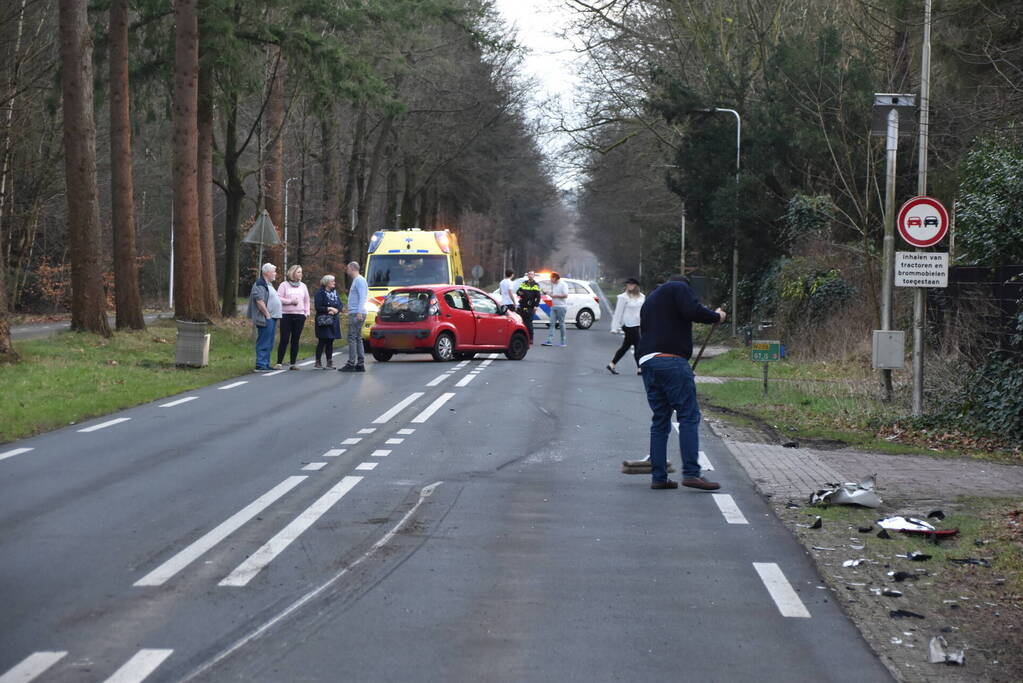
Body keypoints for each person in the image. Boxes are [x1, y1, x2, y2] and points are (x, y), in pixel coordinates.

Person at [635, 277, 726, 490]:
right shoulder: (679, 287)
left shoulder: (650, 300)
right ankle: (692, 473)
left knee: (660, 420)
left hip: (648, 362)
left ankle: (659, 477)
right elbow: (693, 310)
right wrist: (717, 316)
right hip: (671, 360)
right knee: (688, 415)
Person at [247, 263, 282, 372]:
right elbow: (259, 301)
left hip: (272, 317)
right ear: (267, 272)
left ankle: (265, 364)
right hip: (266, 318)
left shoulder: (269, 284)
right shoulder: (260, 284)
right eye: (273, 271)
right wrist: (267, 314)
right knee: (264, 341)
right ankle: (260, 364)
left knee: (270, 342)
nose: (275, 274)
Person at [276, 264, 311, 370]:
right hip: (286, 315)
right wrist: (290, 301)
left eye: (301, 272)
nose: (301, 274)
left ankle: (293, 363)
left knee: (295, 339)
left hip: (300, 316)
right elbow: (278, 298)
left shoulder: (303, 286)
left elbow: (307, 301)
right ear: (293, 273)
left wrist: (306, 313)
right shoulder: (284, 285)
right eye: (299, 272)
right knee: (284, 339)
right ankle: (279, 363)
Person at [607, 277, 644, 375]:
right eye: (628, 284)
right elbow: (618, 313)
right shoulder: (623, 297)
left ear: (636, 286)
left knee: (626, 346)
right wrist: (614, 327)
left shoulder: (642, 297)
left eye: (632, 284)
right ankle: (640, 368)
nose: (629, 286)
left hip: (637, 324)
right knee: (638, 345)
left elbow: (643, 312)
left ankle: (612, 364)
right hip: (628, 324)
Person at [340, 261, 368, 372]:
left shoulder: (359, 280)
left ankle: (351, 363)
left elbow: (362, 297)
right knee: (357, 337)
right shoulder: (357, 280)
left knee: (352, 337)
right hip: (356, 311)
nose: (347, 270)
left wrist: (359, 311)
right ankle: (360, 363)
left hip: (357, 312)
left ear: (352, 268)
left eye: (348, 268)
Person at [313, 274, 342, 369]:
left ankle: (330, 361)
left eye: (334, 281)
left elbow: (340, 304)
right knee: (322, 340)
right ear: (326, 283)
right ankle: (318, 361)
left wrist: (336, 310)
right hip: (323, 321)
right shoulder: (320, 293)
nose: (334, 283)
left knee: (330, 341)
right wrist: (328, 308)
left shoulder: (335, 293)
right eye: (332, 281)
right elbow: (318, 307)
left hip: (333, 320)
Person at [541, 271, 569, 347]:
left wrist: (554, 296)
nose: (550, 280)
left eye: (551, 278)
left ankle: (563, 342)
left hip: (561, 307)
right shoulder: (554, 285)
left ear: (555, 278)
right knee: (552, 324)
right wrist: (548, 293)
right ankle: (549, 341)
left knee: (561, 324)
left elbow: (565, 295)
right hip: (554, 306)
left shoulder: (563, 284)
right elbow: (553, 293)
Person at [516, 271, 541, 343]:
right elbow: (518, 292)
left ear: (534, 276)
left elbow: (538, 296)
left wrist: (536, 305)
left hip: (530, 306)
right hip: (522, 305)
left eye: (532, 274)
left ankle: (530, 338)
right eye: (529, 274)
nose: (530, 275)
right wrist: (525, 293)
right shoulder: (524, 283)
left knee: (529, 323)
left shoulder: (535, 285)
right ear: (527, 275)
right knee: (522, 322)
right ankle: (523, 338)